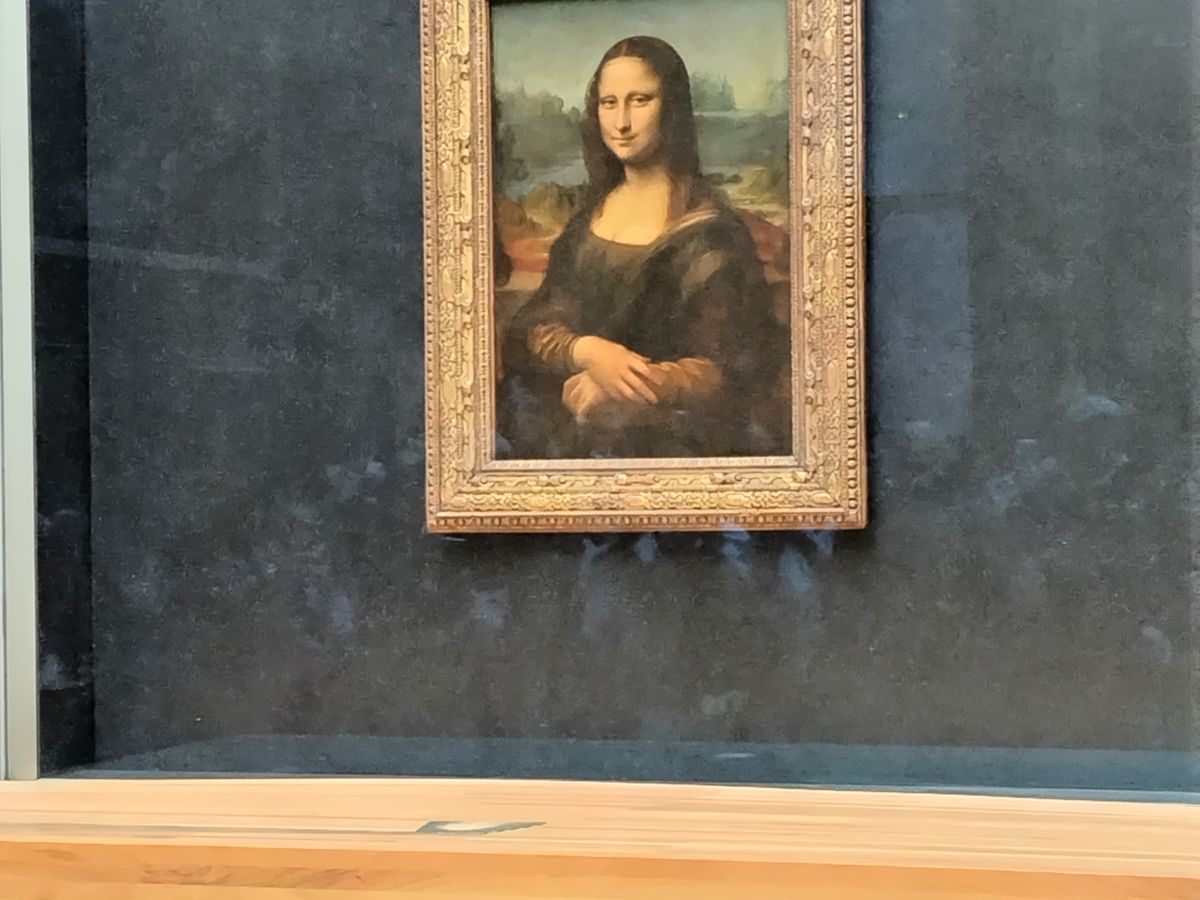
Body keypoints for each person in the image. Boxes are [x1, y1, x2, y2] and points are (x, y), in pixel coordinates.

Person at [498, 36, 789, 459]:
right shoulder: (587, 221)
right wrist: (588, 351)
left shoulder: (712, 233)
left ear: (671, 108)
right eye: (608, 103)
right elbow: (534, 327)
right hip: (562, 423)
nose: (621, 122)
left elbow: (733, 367)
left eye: (640, 100)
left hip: (669, 440)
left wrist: (629, 384)